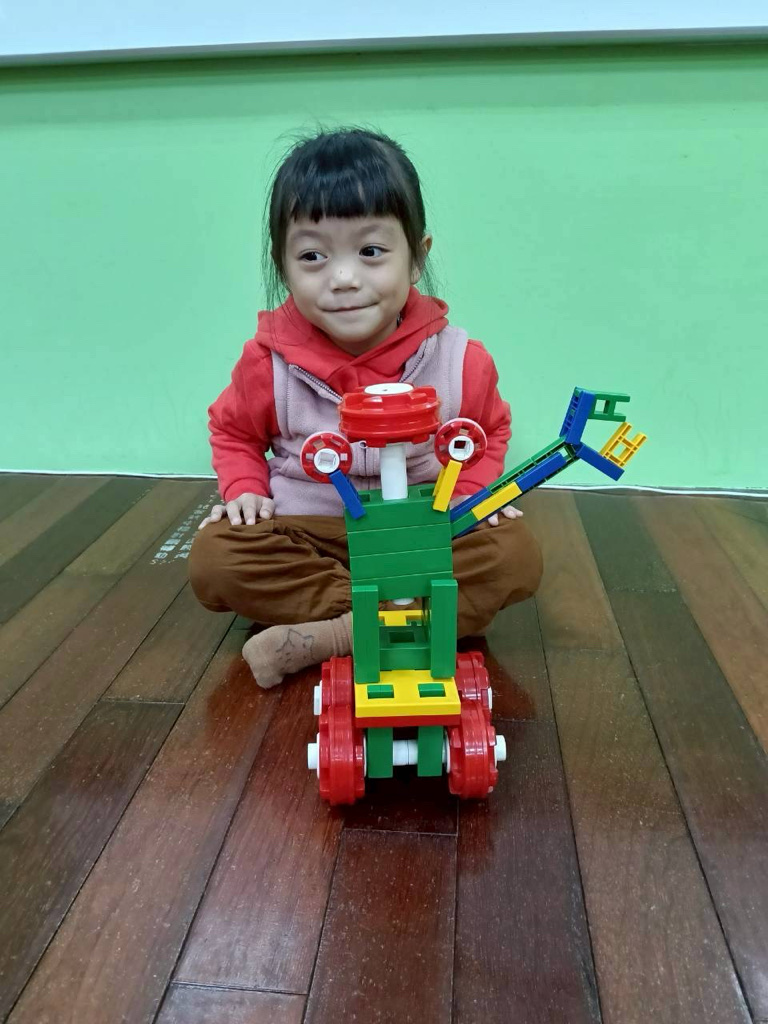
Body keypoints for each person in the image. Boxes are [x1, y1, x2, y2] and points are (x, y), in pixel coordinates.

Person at [188, 126, 543, 689]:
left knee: (514, 554)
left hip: (427, 534)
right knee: (216, 557)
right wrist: (245, 489)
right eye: (312, 256)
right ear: (283, 266)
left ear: (417, 257)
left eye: (371, 252)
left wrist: (475, 494)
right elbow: (233, 432)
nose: (344, 279)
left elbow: (490, 429)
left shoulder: (460, 360)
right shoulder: (267, 362)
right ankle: (403, 620)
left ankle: (338, 634)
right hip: (311, 535)